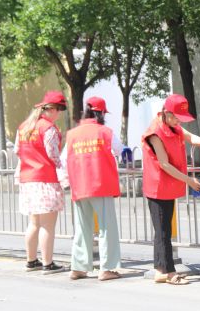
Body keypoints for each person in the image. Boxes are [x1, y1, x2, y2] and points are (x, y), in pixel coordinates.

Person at [142, 94, 200, 285]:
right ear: (166, 113)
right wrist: (189, 181)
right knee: (163, 231)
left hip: (168, 186)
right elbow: (164, 164)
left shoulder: (172, 126)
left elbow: (189, 136)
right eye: (176, 117)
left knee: (163, 229)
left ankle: (160, 270)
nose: (178, 121)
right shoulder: (155, 133)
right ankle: (170, 273)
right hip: (158, 187)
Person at [64, 96, 124, 281]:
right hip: (101, 184)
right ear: (101, 113)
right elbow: (120, 150)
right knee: (107, 228)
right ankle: (107, 268)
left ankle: (78, 267)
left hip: (79, 185)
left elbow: (64, 158)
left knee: (82, 228)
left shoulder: (72, 134)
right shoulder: (105, 132)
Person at [14, 90, 68, 275]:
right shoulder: (49, 129)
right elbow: (53, 154)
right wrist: (63, 172)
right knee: (48, 225)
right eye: (60, 109)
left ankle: (31, 261)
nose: (59, 113)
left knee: (34, 223)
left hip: (27, 180)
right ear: (51, 109)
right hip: (45, 180)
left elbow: (17, 151)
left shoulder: (24, 127)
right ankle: (48, 263)